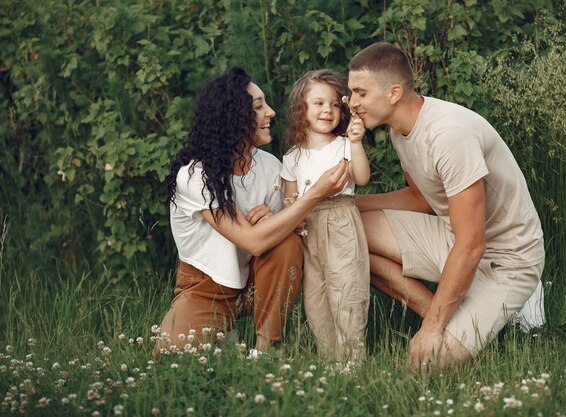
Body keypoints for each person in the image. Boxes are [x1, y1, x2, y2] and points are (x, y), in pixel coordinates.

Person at [347, 42, 545, 371]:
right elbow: (419, 199)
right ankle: (449, 312)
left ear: (394, 92)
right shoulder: (400, 129)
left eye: (360, 93)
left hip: (507, 259)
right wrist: (345, 204)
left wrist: (431, 332)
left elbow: (473, 243)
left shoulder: (449, 135)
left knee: (429, 364)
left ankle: (506, 305)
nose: (352, 103)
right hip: (451, 236)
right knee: (343, 233)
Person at [153, 67, 350, 358]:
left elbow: (290, 228)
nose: (270, 112)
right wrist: (315, 194)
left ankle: (265, 351)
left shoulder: (270, 165)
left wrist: (277, 218)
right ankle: (222, 327)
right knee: (170, 358)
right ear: (233, 118)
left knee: (286, 243)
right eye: (258, 107)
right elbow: (253, 241)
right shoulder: (195, 175)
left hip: (257, 281)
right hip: (206, 288)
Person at [281, 69, 371, 361]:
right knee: (316, 298)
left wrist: (356, 143)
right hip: (308, 227)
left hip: (341, 219)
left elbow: (362, 177)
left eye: (334, 104)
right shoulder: (291, 157)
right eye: (318, 103)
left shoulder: (343, 145)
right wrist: (293, 213)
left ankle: (352, 362)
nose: (327, 110)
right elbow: (290, 200)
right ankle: (330, 360)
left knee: (347, 291)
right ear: (301, 109)